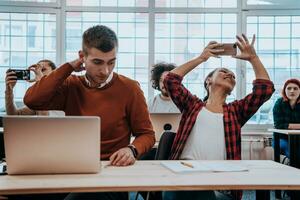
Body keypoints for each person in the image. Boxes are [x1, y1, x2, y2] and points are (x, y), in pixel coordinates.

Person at [24, 25, 155, 200]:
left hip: (110, 175)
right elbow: (32, 100)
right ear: (82, 57)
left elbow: (147, 134)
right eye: (97, 62)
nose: (105, 71)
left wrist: (132, 150)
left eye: (111, 62)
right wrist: (69, 67)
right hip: (71, 170)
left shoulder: (130, 88)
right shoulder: (70, 85)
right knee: (23, 195)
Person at [162, 34, 274, 200]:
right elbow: (170, 80)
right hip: (184, 178)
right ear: (208, 81)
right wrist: (202, 58)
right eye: (223, 71)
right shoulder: (192, 106)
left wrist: (253, 58)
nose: (230, 75)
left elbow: (264, 90)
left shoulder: (235, 111)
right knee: (190, 191)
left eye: (233, 76)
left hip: (220, 187)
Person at [273, 78, 300, 157]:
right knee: (293, 153)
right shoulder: (279, 103)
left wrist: (289, 125)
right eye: (289, 88)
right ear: (285, 90)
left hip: (298, 138)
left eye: (295, 88)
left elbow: (284, 124)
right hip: (282, 138)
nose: (292, 91)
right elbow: (278, 125)